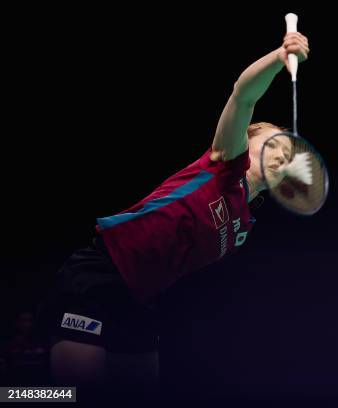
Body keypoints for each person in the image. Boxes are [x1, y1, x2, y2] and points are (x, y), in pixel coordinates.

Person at [36, 29, 310, 399]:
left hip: (142, 300)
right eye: (274, 141)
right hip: (103, 273)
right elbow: (243, 95)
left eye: (290, 155)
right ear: (249, 136)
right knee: (81, 395)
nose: (283, 153)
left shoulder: (244, 227)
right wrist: (279, 58)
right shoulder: (226, 163)